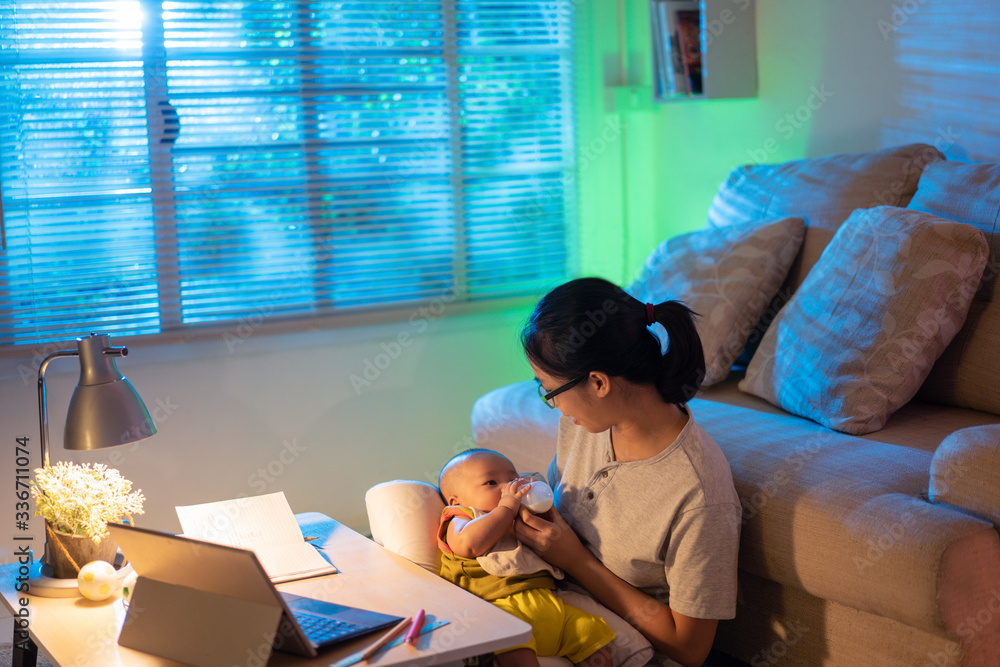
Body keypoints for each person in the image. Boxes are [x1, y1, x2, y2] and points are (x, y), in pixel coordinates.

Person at [514, 277, 741, 667]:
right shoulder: (585, 424)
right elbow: (557, 498)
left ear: (599, 383)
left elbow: (690, 648)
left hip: (620, 649)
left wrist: (577, 563)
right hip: (554, 609)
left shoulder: (699, 495)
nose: (550, 403)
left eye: (548, 390)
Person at [438, 448, 616, 667]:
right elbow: (469, 544)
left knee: (593, 633)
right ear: (456, 501)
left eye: (514, 479)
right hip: (503, 611)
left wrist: (539, 510)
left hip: (552, 611)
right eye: (492, 483)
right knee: (513, 647)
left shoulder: (520, 519)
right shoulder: (460, 517)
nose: (510, 488)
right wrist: (506, 507)